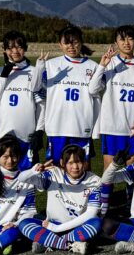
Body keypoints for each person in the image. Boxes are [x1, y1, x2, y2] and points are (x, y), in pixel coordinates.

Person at [17, 144, 102, 255]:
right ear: (62, 163)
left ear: (85, 163)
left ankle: (48, 241)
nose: (75, 167)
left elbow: (91, 213)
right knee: (24, 223)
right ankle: (69, 245)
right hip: (52, 224)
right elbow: (22, 178)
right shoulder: (53, 174)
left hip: (77, 226)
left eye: (79, 162)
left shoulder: (95, 181)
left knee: (96, 223)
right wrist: (34, 171)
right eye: (70, 163)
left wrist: (57, 229)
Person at [90, 26, 134, 170]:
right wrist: (102, 66)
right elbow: (93, 89)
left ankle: (130, 193)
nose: (126, 43)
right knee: (109, 170)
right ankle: (106, 194)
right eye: (122, 39)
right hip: (111, 127)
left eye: (130, 38)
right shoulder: (110, 63)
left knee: (131, 169)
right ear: (116, 42)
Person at [41, 25, 99, 163]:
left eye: (75, 42)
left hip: (81, 126)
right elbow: (37, 89)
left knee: (82, 168)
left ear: (81, 42)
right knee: (55, 168)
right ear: (60, 44)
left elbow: (96, 96)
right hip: (57, 126)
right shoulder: (50, 65)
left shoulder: (93, 66)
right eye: (67, 42)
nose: (71, 46)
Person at [0, 30, 44, 170]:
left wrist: (39, 130)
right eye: (10, 47)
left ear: (25, 48)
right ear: (4, 49)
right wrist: (4, 74)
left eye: (19, 47)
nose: (15, 51)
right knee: (0, 181)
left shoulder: (34, 71)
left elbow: (42, 106)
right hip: (2, 135)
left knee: (26, 182)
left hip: (27, 136)